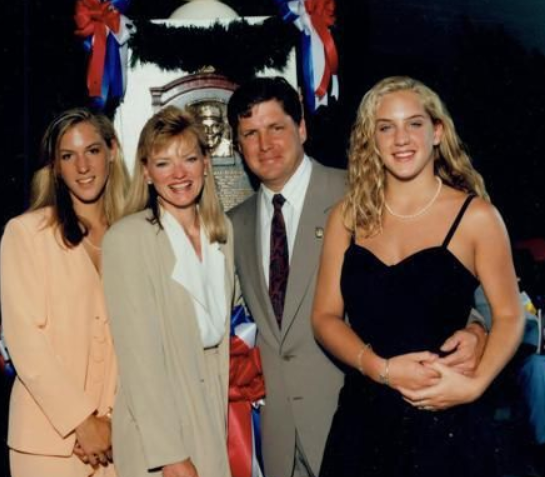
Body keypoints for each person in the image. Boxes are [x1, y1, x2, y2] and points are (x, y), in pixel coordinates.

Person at [227, 76, 487, 477]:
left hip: (371, 420)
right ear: (238, 145)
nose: (265, 144)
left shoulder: (367, 192)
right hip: (277, 440)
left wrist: (478, 330)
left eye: (276, 128)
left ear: (301, 128)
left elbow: (459, 281)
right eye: (250, 133)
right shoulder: (233, 225)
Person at [312, 76, 524, 477]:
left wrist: (474, 384)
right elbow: (324, 318)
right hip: (362, 424)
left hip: (446, 420)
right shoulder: (346, 217)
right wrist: (382, 370)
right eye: (385, 126)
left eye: (414, 123)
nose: (401, 138)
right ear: (371, 140)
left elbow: (510, 316)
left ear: (437, 131)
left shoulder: (476, 217)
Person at [102, 105, 236, 477]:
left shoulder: (222, 231)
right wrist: (170, 454)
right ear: (145, 171)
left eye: (189, 159)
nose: (179, 174)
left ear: (206, 163)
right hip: (158, 433)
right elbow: (139, 362)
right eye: (163, 163)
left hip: (212, 414)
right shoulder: (127, 239)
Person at [0, 108, 128, 477]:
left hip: (120, 442)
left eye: (92, 150)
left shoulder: (133, 235)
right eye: (68, 156)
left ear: (112, 151)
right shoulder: (27, 234)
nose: (83, 167)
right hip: (48, 444)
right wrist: (81, 421)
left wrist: (114, 423)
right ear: (55, 167)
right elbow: (24, 341)